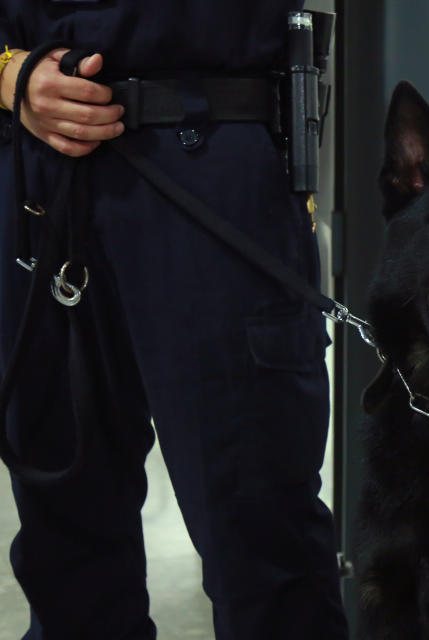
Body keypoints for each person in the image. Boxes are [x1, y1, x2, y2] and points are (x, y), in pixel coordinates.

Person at [0, 3, 348, 639]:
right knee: (63, 534)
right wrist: (6, 71)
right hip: (35, 163)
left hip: (210, 142)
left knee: (258, 531)